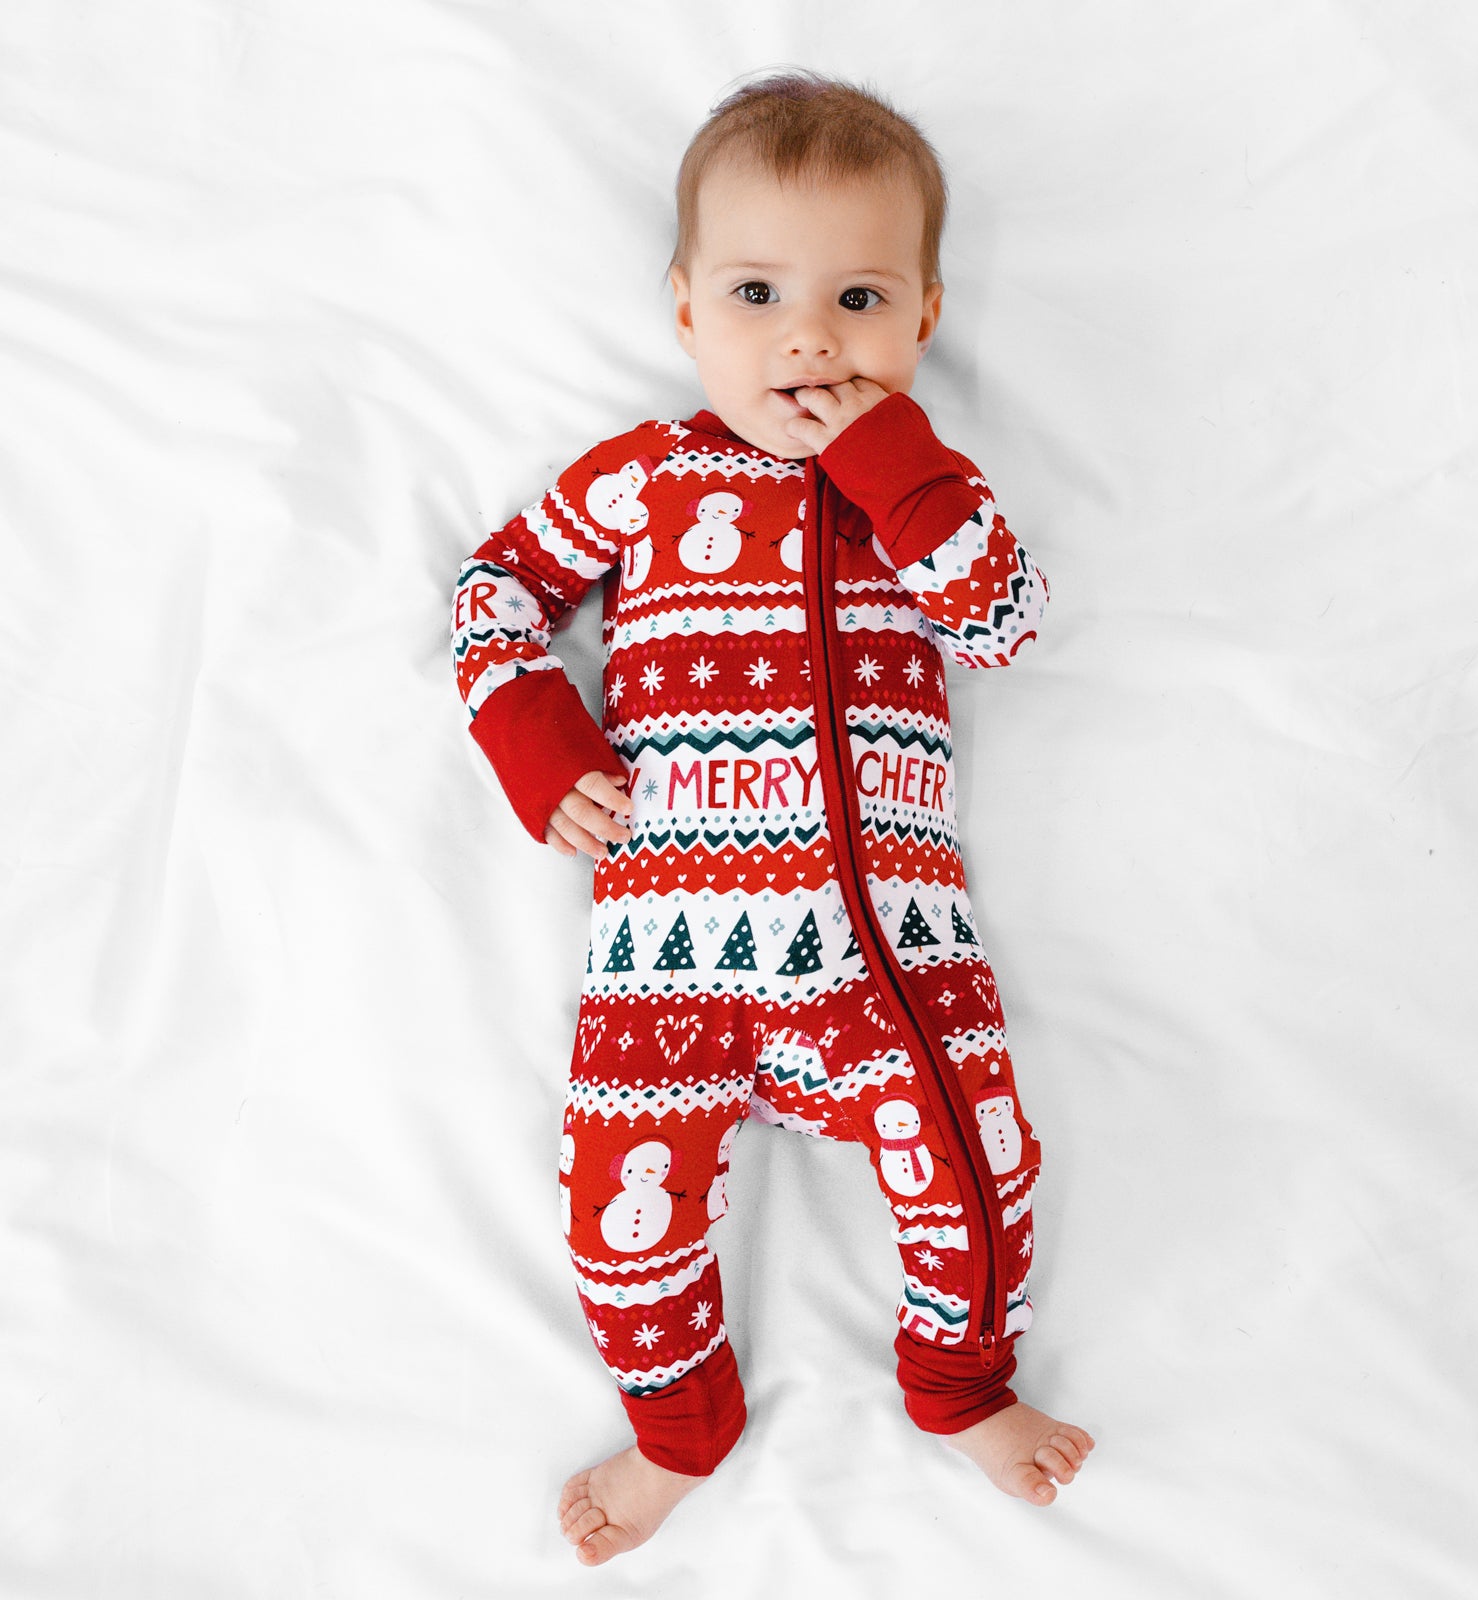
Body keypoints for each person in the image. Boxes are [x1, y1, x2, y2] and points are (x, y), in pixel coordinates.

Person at [451, 70, 1094, 1567]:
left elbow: (1003, 621)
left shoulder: (922, 491)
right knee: (621, 1209)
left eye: (859, 297)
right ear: (685, 312)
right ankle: (680, 1422)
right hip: (671, 956)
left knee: (981, 1174)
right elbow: (495, 598)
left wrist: (890, 463)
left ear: (924, 319)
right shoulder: (644, 480)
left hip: (894, 961)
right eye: (758, 292)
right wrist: (543, 745)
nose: (809, 339)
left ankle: (959, 1386)